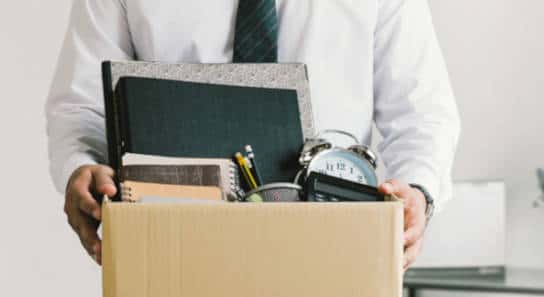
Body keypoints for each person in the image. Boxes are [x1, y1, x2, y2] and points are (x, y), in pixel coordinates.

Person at [46, 0, 460, 268]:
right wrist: (79, 167)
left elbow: (421, 112)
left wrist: (418, 191)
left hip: (333, 251)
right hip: (175, 253)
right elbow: (82, 106)